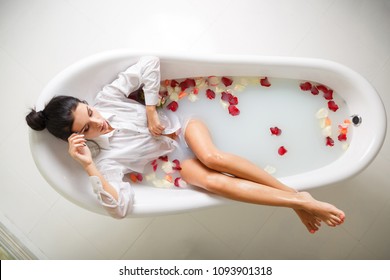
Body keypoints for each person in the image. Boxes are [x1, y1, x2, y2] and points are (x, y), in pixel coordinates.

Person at [26, 56, 345, 233]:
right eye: (88, 127)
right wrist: (88, 165)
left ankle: (298, 201)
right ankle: (299, 201)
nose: (99, 122)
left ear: (88, 102)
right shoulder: (106, 160)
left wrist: (150, 108)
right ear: (78, 137)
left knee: (211, 156)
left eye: (90, 112)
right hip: (174, 162)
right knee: (207, 180)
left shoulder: (109, 99)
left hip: (186, 125)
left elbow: (149, 62)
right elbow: (119, 209)